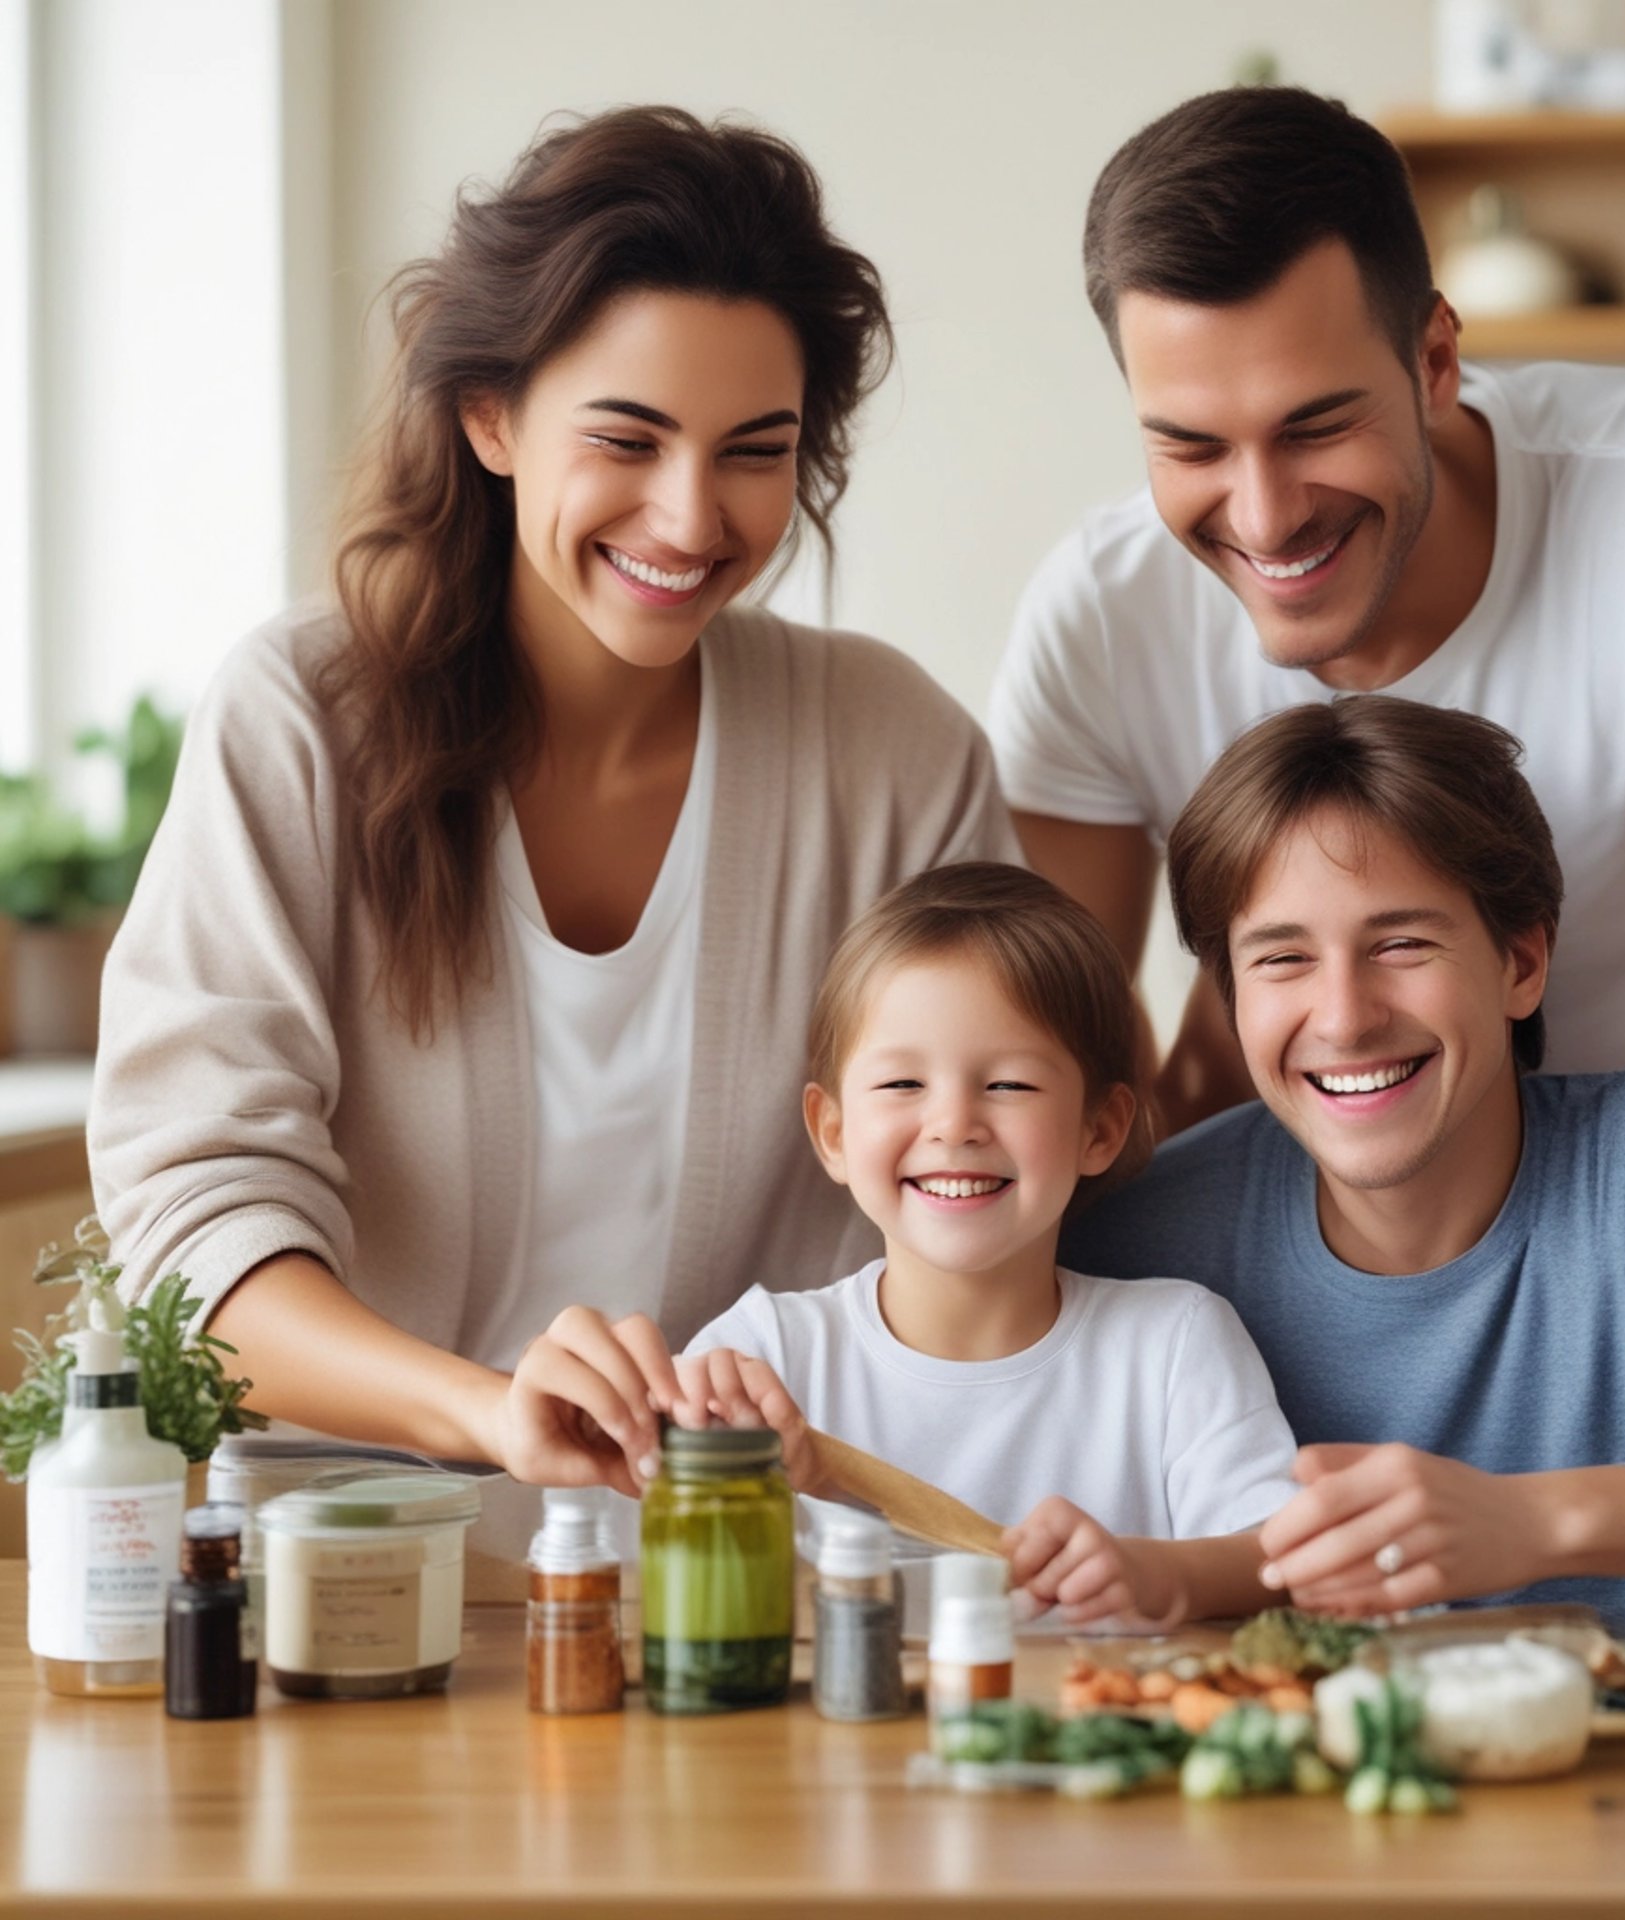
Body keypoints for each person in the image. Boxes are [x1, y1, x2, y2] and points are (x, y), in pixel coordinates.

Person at [87, 107, 1018, 1501]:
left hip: (773, 1595)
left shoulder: (896, 758)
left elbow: (999, 1205)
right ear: (492, 415)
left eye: (754, 451)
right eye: (629, 440)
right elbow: (196, 1223)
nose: (693, 519)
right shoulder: (302, 719)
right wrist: (484, 1410)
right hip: (362, 1593)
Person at [989, 85, 1625, 1251]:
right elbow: (1046, 1077)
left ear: (1435, 361)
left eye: (1316, 425)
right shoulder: (1101, 616)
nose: (1266, 516)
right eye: (1190, 444)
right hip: (1273, 1320)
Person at [1062, 695, 1625, 1631]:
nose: (1345, 1017)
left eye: (1401, 944)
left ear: (1520, 962)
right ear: (1232, 1000)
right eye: (1283, 960)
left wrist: (1534, 1519)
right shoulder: (1137, 1234)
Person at [661, 863, 1300, 1628]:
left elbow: (1281, 1558)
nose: (954, 1124)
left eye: (1009, 1086)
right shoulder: (758, 1358)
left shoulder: (1172, 1344)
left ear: (1099, 1129)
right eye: (903, 1085)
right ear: (832, 1132)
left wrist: (1154, 1571)